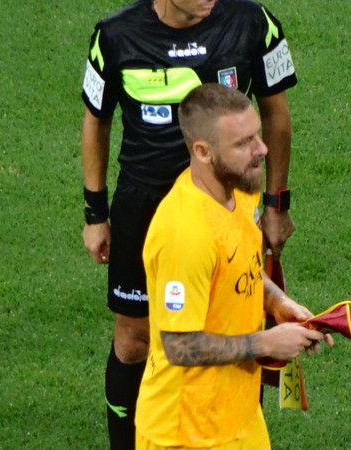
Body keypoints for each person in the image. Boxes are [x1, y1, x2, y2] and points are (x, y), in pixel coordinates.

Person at [80, 0, 297, 447]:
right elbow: (95, 121)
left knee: (237, 314)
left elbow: (276, 114)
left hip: (229, 197)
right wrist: (95, 213)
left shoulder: (252, 22)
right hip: (145, 206)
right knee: (135, 338)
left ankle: (233, 422)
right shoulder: (115, 36)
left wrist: (276, 203)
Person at [135, 83, 333, 449]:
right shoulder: (186, 235)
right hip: (186, 433)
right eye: (243, 143)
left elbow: (241, 268)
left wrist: (276, 302)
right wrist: (266, 341)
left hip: (239, 416)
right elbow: (179, 346)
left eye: (256, 134)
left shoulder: (239, 190)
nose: (262, 149)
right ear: (203, 151)